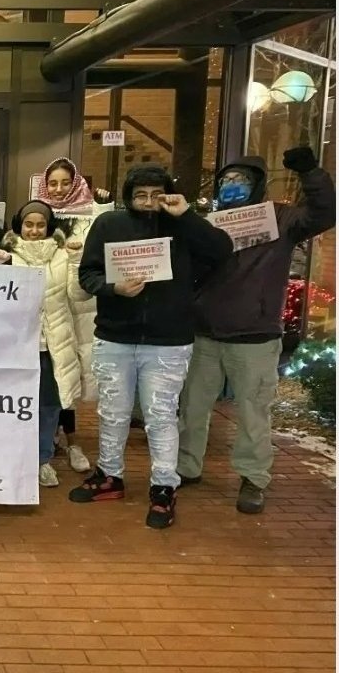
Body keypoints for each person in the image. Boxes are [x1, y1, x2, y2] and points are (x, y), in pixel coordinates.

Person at [71, 165, 233, 529]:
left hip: (168, 340)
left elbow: (222, 251)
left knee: (160, 416)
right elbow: (88, 274)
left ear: (168, 194)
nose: (147, 202)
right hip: (115, 335)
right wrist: (114, 288)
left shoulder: (183, 225)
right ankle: (109, 475)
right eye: (140, 195)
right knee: (112, 412)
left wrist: (185, 215)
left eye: (156, 195)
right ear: (128, 196)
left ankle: (163, 487)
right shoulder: (109, 224)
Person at [178, 148, 335, 513]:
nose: (232, 185)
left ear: (257, 184)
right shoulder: (209, 223)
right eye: (226, 180)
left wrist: (311, 173)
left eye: (241, 180)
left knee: (253, 412)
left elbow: (324, 213)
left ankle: (253, 477)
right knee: (192, 407)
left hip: (255, 336)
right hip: (204, 333)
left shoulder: (280, 219)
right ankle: (186, 466)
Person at [1, 201, 90, 486]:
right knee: (12, 404)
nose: (34, 230)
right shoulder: (6, 256)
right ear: (20, 226)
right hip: (16, 348)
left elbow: (78, 296)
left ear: (49, 227)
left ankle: (42, 460)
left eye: (40, 225)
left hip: (53, 347)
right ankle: (13, 458)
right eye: (29, 225)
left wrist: (76, 262)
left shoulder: (63, 256)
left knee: (49, 406)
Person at [37, 158, 113, 450]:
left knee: (71, 372)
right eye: (52, 183)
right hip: (49, 307)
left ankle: (70, 437)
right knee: (51, 373)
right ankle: (52, 435)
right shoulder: (39, 215)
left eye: (65, 183)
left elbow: (104, 244)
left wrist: (104, 208)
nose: (58, 189)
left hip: (80, 307)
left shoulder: (90, 216)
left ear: (76, 183)